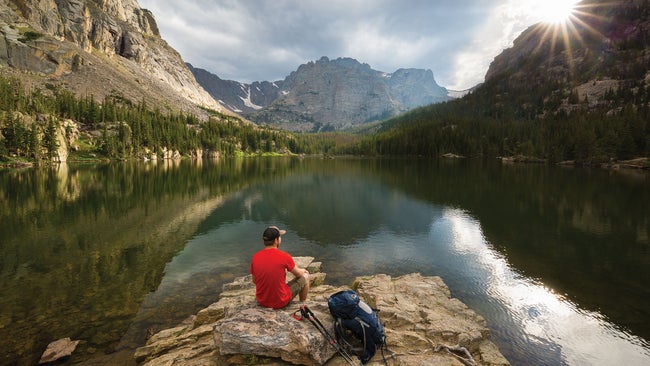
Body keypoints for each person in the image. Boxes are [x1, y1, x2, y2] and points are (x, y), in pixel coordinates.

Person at [250, 226, 310, 309]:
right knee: (306, 276)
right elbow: (298, 274)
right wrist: (303, 270)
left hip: (262, 301)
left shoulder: (255, 257)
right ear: (276, 240)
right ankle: (302, 306)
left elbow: (254, 280)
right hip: (280, 301)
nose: (281, 239)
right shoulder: (284, 256)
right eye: (280, 237)